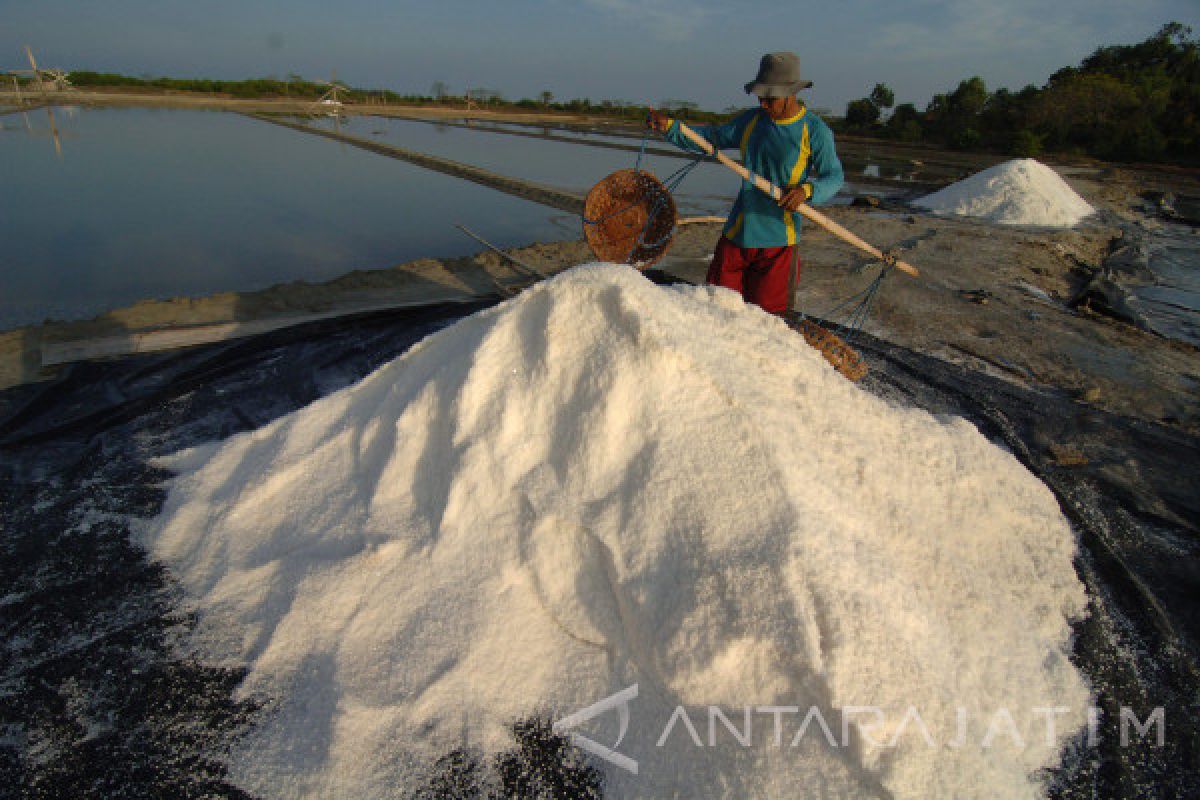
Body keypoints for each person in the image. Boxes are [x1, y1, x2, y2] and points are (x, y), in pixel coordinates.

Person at [648, 52, 843, 315]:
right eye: (760, 97)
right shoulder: (752, 121)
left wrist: (807, 191)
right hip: (737, 235)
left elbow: (834, 176)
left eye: (770, 98)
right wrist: (672, 127)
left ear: (791, 93)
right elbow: (711, 138)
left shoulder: (815, 130)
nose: (763, 104)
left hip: (778, 243)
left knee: (767, 321)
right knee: (716, 309)